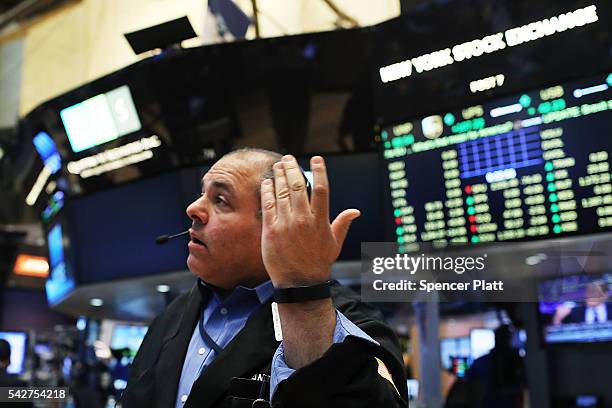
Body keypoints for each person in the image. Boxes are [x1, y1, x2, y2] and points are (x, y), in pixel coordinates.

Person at [121, 148, 407, 408]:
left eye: (220, 199)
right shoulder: (171, 317)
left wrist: (301, 291)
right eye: (202, 193)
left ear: (279, 222)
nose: (193, 209)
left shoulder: (351, 321)